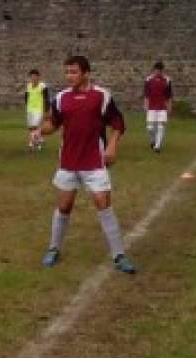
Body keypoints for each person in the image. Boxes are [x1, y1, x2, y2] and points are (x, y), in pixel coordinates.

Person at [39, 55, 136, 274]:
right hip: (69, 162)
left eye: (73, 72)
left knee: (103, 204)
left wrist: (112, 146)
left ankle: (119, 255)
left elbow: (118, 123)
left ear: (85, 73)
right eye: (67, 72)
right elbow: (52, 125)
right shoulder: (61, 98)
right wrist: (39, 131)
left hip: (94, 162)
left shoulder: (101, 96)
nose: (69, 76)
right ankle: (53, 249)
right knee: (64, 207)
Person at [143, 61, 173, 153]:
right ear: (154, 70)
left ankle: (157, 146)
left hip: (162, 107)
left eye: (160, 70)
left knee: (161, 126)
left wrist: (169, 106)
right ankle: (153, 141)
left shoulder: (167, 80)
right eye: (156, 70)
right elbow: (146, 94)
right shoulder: (148, 80)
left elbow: (168, 96)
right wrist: (145, 105)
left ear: (162, 70)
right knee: (150, 128)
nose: (158, 72)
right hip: (152, 107)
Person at [24, 68, 51, 151]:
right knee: (31, 128)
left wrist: (46, 110)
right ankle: (39, 140)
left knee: (35, 126)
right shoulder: (28, 86)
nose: (33, 78)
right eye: (32, 77)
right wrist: (27, 106)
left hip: (39, 109)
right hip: (30, 109)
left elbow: (46, 98)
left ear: (38, 77)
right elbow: (26, 97)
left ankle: (31, 144)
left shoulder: (42, 86)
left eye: (35, 76)